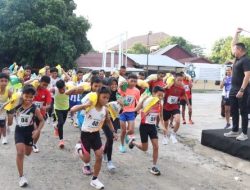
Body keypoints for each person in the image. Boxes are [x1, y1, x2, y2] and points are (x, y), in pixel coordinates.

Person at [72, 87, 118, 190]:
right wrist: (84, 105)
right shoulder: (90, 106)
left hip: (96, 134)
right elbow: (73, 109)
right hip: (85, 134)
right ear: (98, 96)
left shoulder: (105, 110)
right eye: (104, 97)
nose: (106, 100)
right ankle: (78, 148)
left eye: (107, 98)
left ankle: (94, 179)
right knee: (87, 159)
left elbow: (108, 121)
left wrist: (114, 132)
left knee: (99, 156)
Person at [129, 86, 165, 176]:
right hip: (144, 127)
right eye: (159, 95)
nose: (160, 98)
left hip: (152, 127)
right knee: (145, 148)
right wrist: (142, 101)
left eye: (162, 96)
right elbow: (136, 110)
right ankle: (133, 143)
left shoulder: (160, 104)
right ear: (153, 94)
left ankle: (154, 166)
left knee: (156, 147)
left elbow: (161, 117)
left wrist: (164, 127)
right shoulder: (146, 101)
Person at [14, 85, 44, 187]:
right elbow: (7, 112)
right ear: (22, 95)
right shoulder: (16, 105)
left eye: (31, 97)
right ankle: (21, 177)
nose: (28, 99)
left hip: (29, 131)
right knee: (20, 152)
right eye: (26, 96)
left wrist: (37, 131)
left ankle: (31, 147)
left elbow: (42, 120)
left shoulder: (34, 108)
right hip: (19, 130)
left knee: (27, 153)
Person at [224, 28, 250, 141]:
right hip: (233, 89)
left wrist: (242, 90)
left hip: (241, 90)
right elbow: (233, 44)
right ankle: (235, 130)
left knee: (243, 111)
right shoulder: (237, 59)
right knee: (233, 110)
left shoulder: (246, 60)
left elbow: (247, 76)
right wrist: (236, 33)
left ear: (239, 50)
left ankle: (244, 133)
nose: (233, 51)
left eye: (235, 50)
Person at [162, 73, 191, 144]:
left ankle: (173, 134)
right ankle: (165, 137)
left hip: (175, 107)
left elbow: (185, 95)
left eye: (181, 80)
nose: (180, 82)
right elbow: (160, 93)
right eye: (178, 80)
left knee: (178, 121)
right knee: (166, 123)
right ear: (174, 79)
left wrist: (188, 104)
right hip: (166, 107)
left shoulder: (181, 88)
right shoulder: (168, 87)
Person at [118, 74, 140, 153]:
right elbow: (118, 96)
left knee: (131, 130)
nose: (133, 83)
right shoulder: (123, 88)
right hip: (122, 111)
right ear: (127, 81)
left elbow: (138, 101)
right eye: (132, 81)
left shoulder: (137, 91)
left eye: (135, 81)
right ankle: (122, 145)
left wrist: (138, 109)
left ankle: (125, 136)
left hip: (131, 112)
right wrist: (120, 87)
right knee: (123, 130)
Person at [32, 76, 52, 152]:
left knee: (38, 130)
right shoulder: (34, 88)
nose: (44, 86)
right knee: (34, 128)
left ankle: (34, 144)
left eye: (46, 85)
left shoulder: (47, 92)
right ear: (40, 82)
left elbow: (49, 105)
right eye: (43, 84)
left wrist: (45, 107)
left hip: (41, 114)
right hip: (31, 113)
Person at [0, 73, 12, 144]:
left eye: (5, 81)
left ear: (8, 82)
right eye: (1, 81)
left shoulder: (8, 91)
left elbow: (12, 101)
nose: (4, 83)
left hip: (3, 110)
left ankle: (4, 137)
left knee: (2, 124)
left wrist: (7, 104)